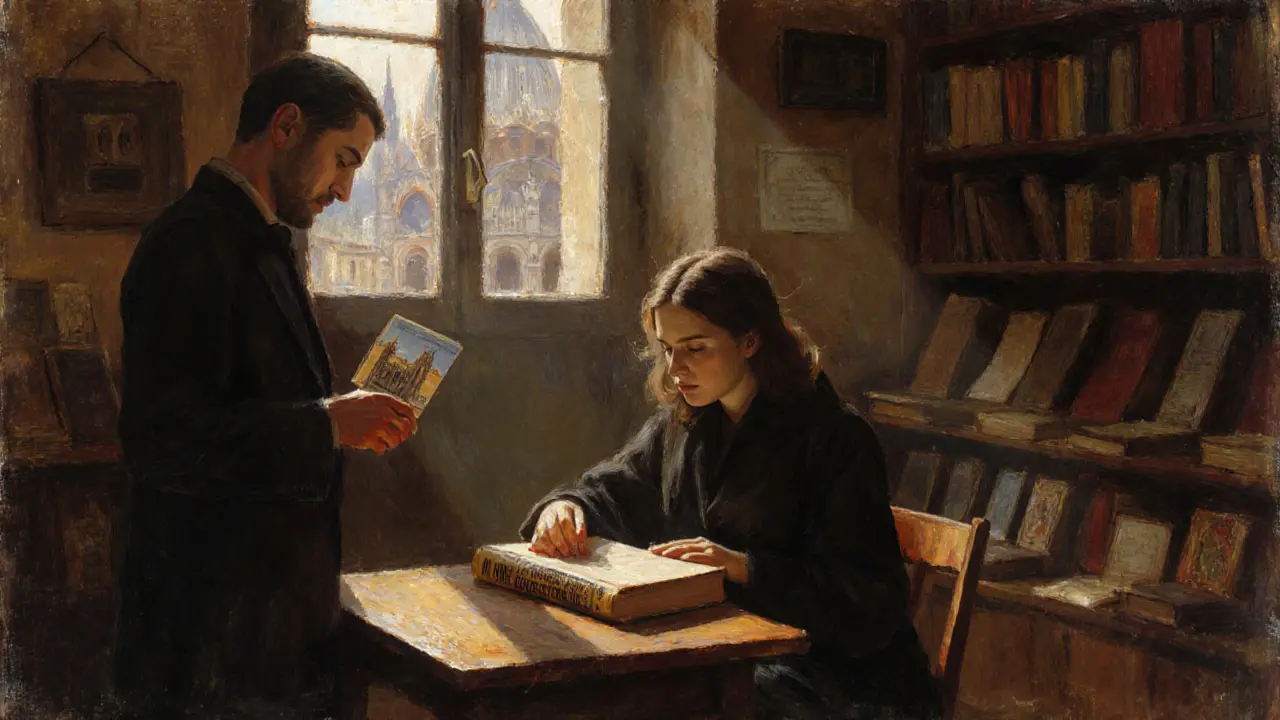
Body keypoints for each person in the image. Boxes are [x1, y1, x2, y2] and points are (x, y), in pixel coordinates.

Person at [115, 53, 418, 719]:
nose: (344, 191)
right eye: (344, 159)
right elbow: (163, 440)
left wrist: (335, 423)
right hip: (211, 641)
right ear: (286, 125)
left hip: (273, 629)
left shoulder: (257, 239)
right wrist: (329, 425)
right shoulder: (189, 243)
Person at [520, 248, 942, 720]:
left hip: (837, 682)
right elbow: (616, 487)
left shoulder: (833, 438)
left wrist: (745, 568)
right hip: (728, 656)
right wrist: (566, 506)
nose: (676, 368)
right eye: (667, 349)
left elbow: (869, 601)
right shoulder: (684, 424)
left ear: (750, 341)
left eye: (696, 348)